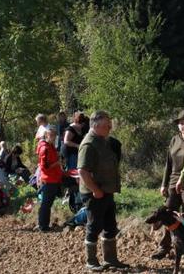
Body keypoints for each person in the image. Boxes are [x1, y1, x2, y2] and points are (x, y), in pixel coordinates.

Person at [79, 110, 129, 271]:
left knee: (110, 226)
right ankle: (91, 261)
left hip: (106, 190)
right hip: (95, 193)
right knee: (94, 226)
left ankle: (111, 259)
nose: (110, 127)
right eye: (107, 125)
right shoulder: (89, 144)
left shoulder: (103, 140)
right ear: (96, 125)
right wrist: (95, 190)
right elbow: (83, 172)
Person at [151, 109, 184, 259]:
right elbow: (168, 164)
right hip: (173, 182)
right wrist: (164, 183)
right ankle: (164, 246)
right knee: (167, 214)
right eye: (181, 124)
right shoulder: (175, 139)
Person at [36, 127, 63, 231]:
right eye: (51, 135)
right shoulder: (45, 148)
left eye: (55, 135)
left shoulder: (51, 146)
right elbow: (44, 167)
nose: (53, 137)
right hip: (48, 180)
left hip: (54, 179)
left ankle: (44, 225)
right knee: (46, 204)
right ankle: (43, 226)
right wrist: (57, 163)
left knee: (48, 204)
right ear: (46, 136)